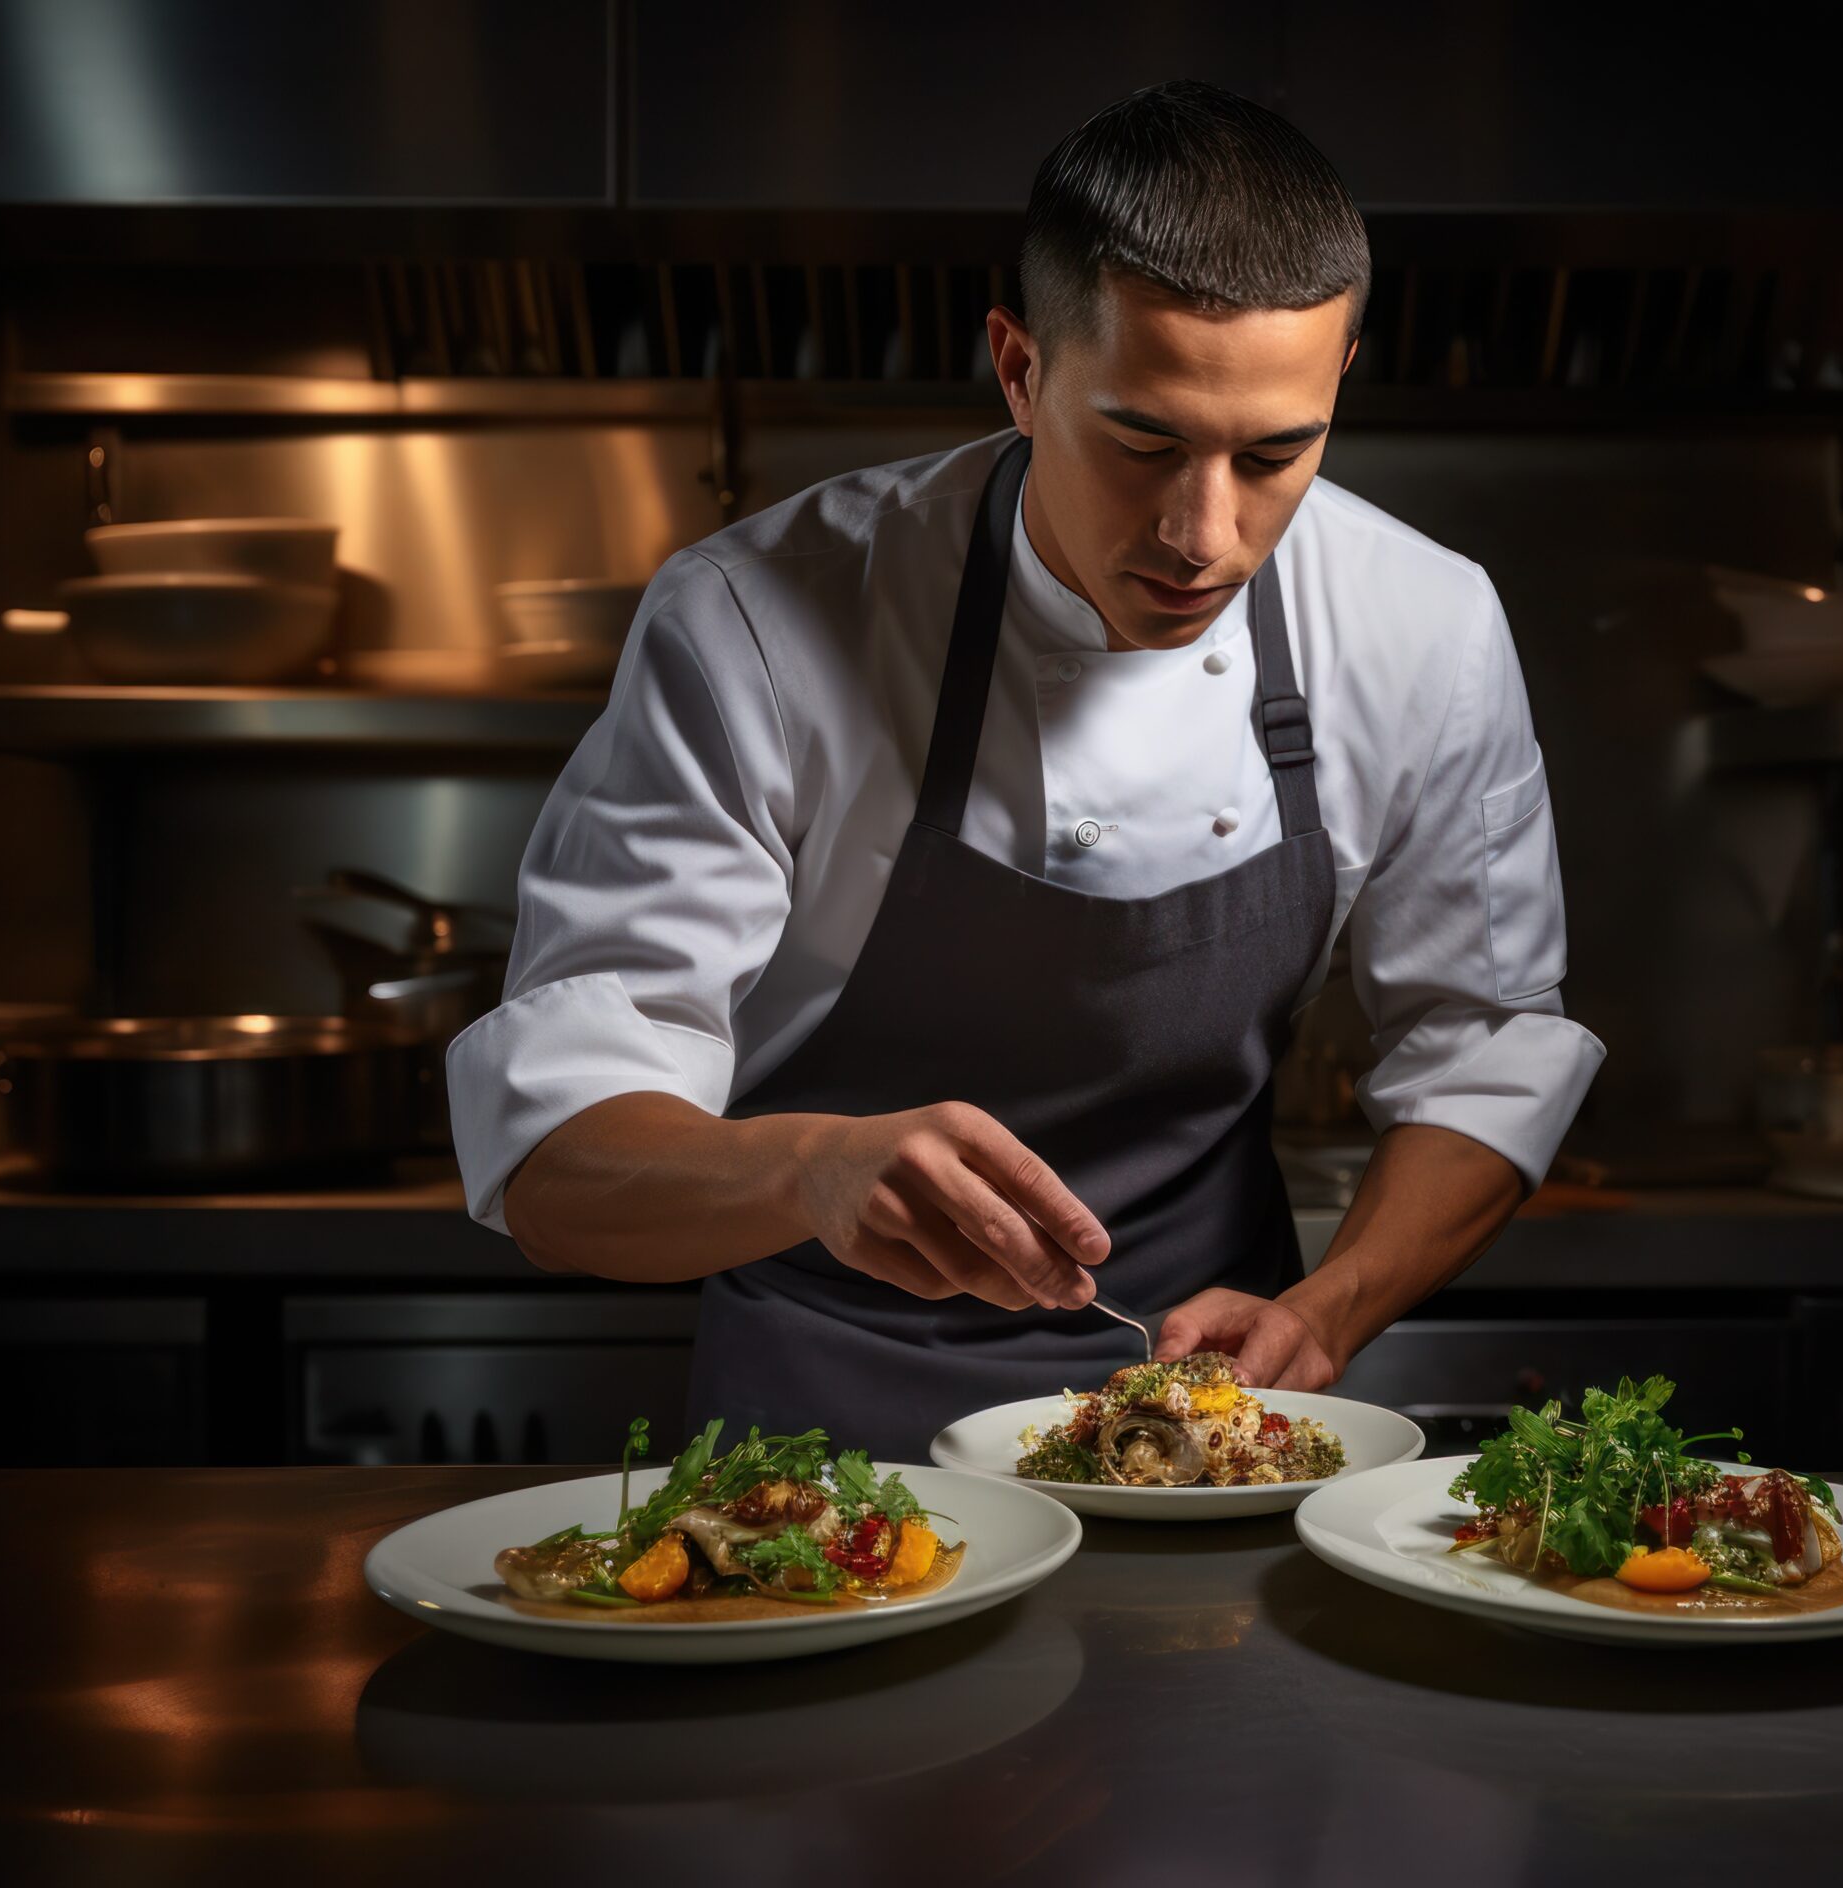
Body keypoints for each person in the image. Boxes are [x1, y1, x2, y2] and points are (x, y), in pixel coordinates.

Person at [448, 80, 1602, 1458]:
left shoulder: (1422, 622)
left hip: (1197, 1427)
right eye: (1144, 442)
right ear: (1019, 367)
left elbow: (1487, 1044)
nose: (1205, 534)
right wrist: (815, 1168)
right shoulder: (756, 620)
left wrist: (1332, 1308)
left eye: (1275, 454)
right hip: (825, 1432)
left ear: (1340, 383)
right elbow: (557, 1149)